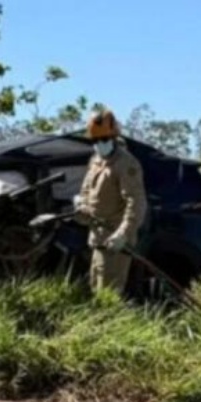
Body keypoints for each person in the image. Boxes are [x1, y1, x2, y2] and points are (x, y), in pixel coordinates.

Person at [74, 108, 147, 296]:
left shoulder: (126, 164)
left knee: (109, 295)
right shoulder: (96, 160)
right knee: (95, 291)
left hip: (115, 241)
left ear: (114, 137)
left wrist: (123, 234)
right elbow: (86, 191)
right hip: (97, 237)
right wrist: (82, 206)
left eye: (104, 140)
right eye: (95, 141)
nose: (100, 144)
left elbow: (136, 203)